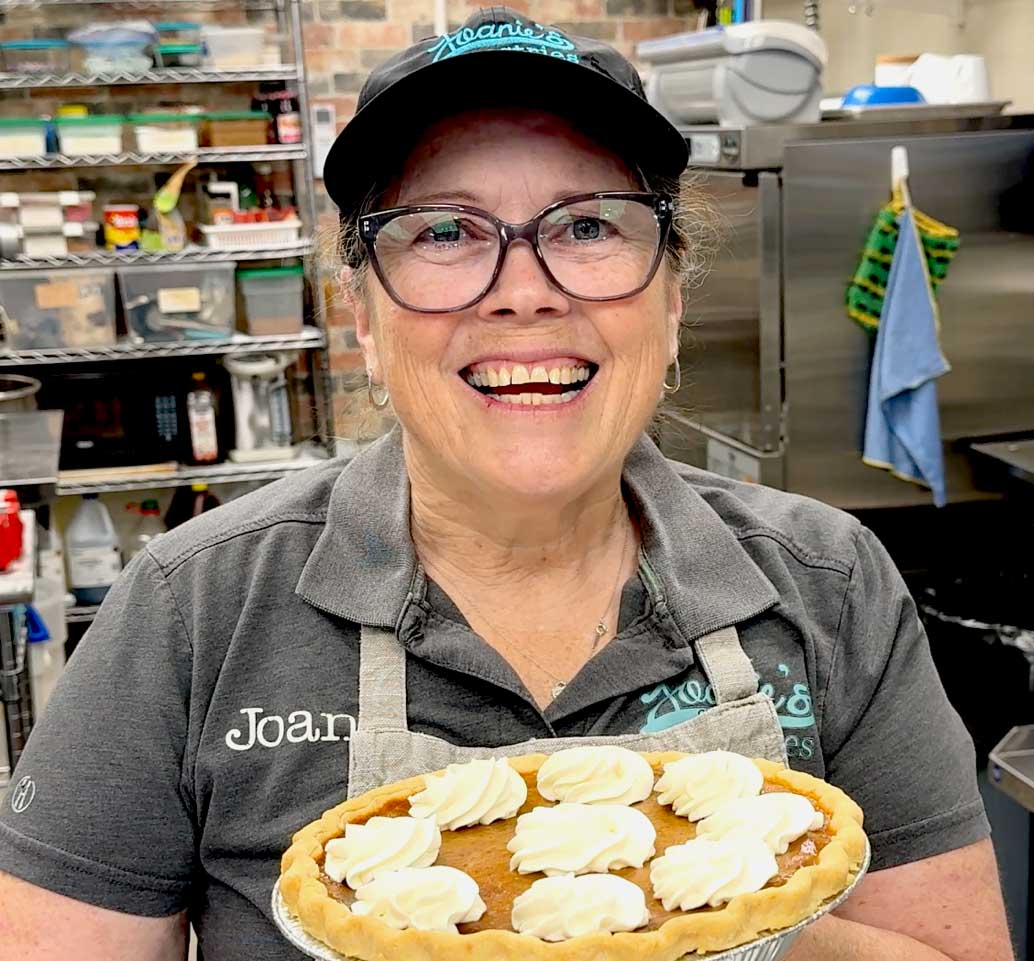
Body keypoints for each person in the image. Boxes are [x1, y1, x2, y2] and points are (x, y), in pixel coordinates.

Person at [0, 9, 1013, 961]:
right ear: (362, 317)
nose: (524, 293)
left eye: (588, 226)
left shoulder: (828, 582)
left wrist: (698, 910)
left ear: (669, 302)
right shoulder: (192, 612)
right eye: (444, 232)